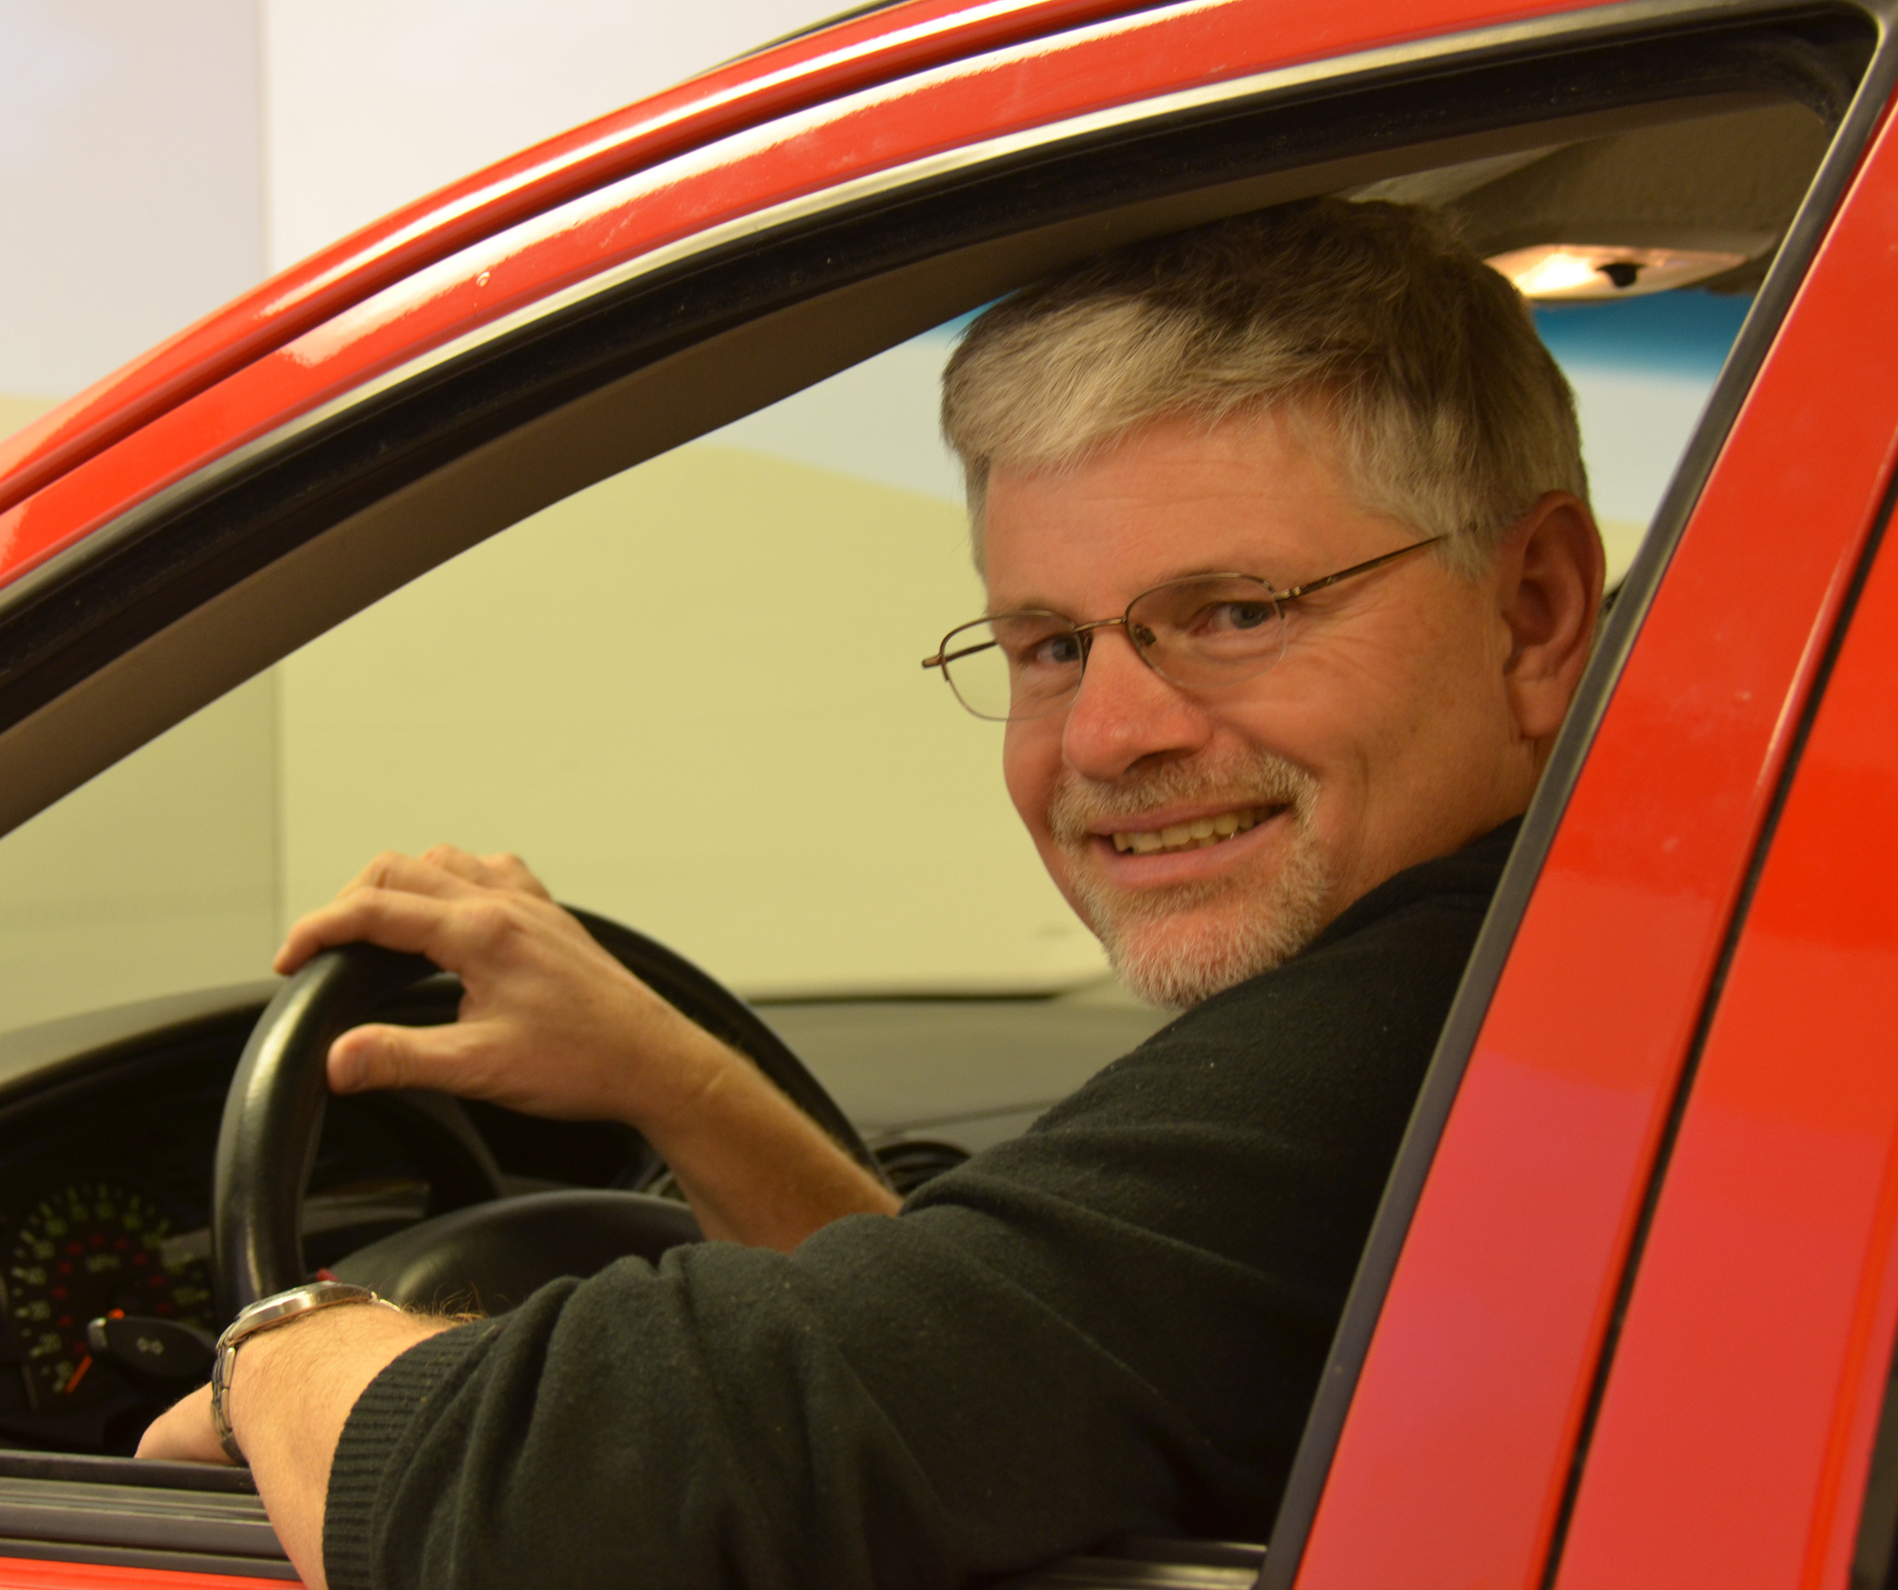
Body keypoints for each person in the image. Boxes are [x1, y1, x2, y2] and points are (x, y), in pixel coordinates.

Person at [136, 198, 1608, 1590]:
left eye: (1235, 613)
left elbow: (583, 1503)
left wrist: (277, 1344)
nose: (1108, 736)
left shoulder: (1455, 1034)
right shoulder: (1567, 970)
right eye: (1047, 646)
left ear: (1534, 611)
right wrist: (674, 1078)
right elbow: (1020, 1361)